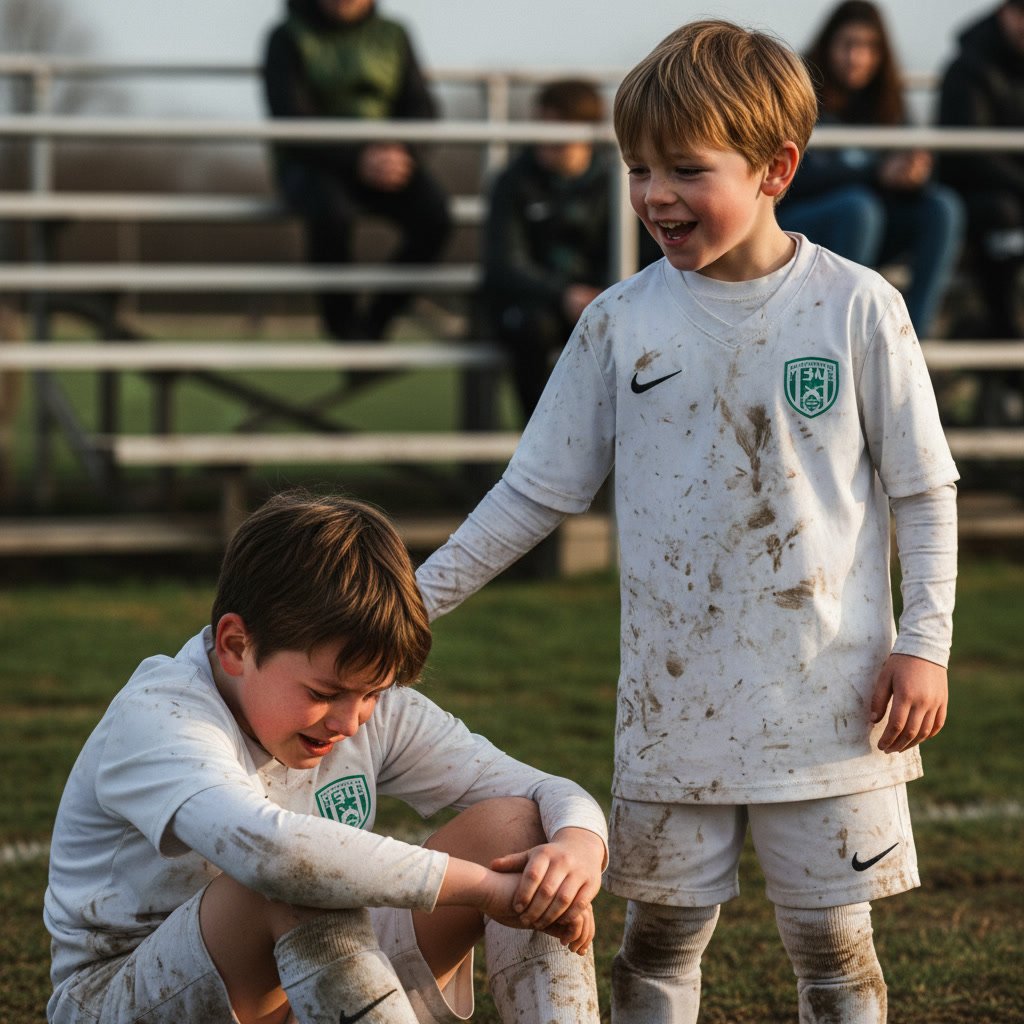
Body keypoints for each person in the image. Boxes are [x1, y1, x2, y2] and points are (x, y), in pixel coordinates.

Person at [415, 19, 959, 1024]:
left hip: (830, 707)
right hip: (673, 714)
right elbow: (534, 492)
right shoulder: (618, 321)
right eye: (638, 169)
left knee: (833, 951)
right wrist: (411, 604)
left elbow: (925, 490)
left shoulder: (858, 307)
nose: (655, 194)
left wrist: (923, 642)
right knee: (657, 942)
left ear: (775, 169)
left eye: (686, 169)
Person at [44, 490, 608, 1024]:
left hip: (316, 972)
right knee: (300, 879)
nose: (350, 721)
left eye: (373, 693)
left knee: (522, 832)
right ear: (236, 645)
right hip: (117, 997)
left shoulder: (364, 707)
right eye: (323, 693)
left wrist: (576, 851)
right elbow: (275, 854)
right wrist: (486, 890)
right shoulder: (160, 715)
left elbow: (546, 791)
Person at [262, 0, 453, 342]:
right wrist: (357, 158)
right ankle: (345, 329)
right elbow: (290, 116)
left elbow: (420, 106)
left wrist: (402, 150)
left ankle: (375, 323)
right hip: (314, 162)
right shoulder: (286, 36)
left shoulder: (394, 34)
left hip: (385, 159)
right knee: (331, 213)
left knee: (435, 215)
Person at [777, 0, 964, 339]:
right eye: (848, 44)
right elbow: (790, 180)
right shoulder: (798, 89)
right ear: (828, 44)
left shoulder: (887, 99)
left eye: (869, 47)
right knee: (858, 208)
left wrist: (914, 176)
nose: (857, 57)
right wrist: (876, 175)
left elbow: (910, 162)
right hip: (799, 223)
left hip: (870, 224)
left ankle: (910, 341)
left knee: (942, 208)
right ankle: (845, 337)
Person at [481, 79, 658, 419]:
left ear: (585, 134)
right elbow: (504, 263)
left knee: (633, 326)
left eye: (557, 131)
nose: (545, 141)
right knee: (532, 327)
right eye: (542, 127)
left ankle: (620, 439)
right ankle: (542, 437)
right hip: (538, 307)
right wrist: (563, 294)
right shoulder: (514, 181)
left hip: (601, 299)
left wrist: (604, 294)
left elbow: (644, 255)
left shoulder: (619, 180)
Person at [938, 0, 1024, 421]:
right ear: (1004, 12)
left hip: (1008, 210)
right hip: (984, 209)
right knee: (1003, 223)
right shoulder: (968, 68)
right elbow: (969, 158)